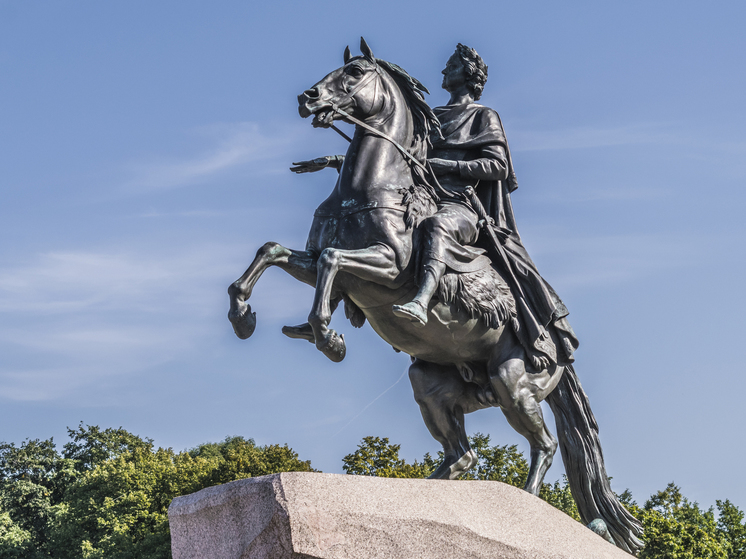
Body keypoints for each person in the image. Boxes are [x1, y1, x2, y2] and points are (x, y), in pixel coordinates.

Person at [390, 44, 578, 369]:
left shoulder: (482, 116)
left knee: (436, 226)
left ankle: (421, 301)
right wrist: (341, 162)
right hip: (422, 198)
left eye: (450, 65)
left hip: (460, 205)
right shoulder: (430, 117)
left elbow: (498, 166)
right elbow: (399, 158)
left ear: (467, 73)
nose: (442, 71)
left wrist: (449, 166)